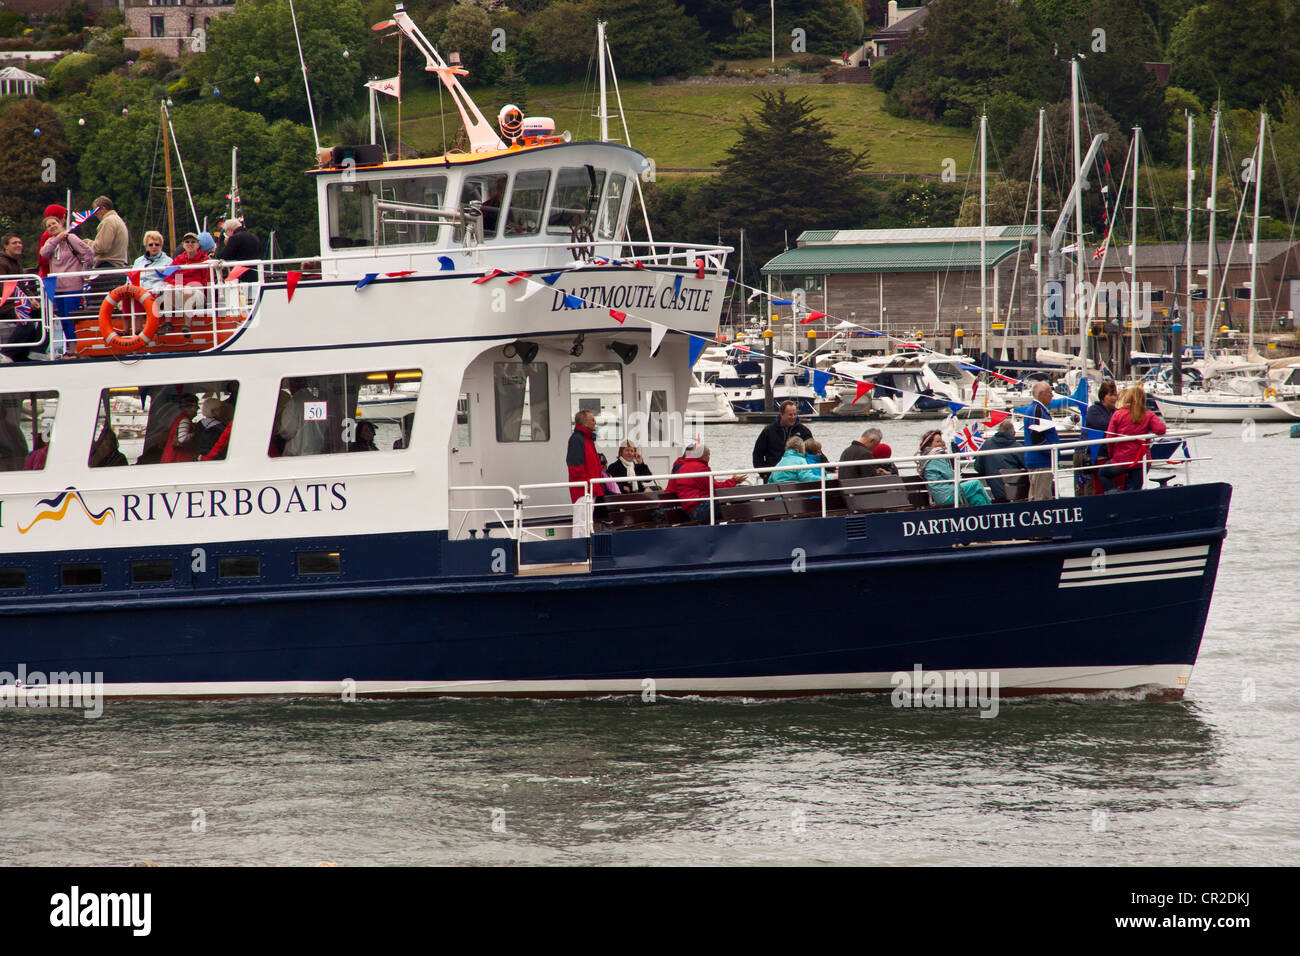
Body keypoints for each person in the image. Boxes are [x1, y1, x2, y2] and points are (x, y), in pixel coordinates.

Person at [40, 216, 95, 358]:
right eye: (48, 226)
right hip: (58, 286)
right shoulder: (51, 242)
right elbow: (44, 253)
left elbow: (88, 252)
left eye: (54, 223)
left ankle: (76, 348)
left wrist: (84, 272)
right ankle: (70, 347)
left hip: (72, 285)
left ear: (61, 223)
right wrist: (57, 238)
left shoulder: (71, 238)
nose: (52, 226)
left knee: (71, 317)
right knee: (63, 319)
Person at [1100, 385, 1167, 493]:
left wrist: (1112, 456)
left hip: (1121, 460)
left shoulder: (1118, 414)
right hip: (1142, 461)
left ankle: (1113, 496)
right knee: (1134, 490)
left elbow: (1110, 438)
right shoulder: (1148, 415)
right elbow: (1160, 429)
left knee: (1103, 473)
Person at [1014, 380, 1072, 500]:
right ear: (1041, 394)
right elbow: (1036, 437)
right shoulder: (1037, 410)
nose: (1052, 395)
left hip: (1038, 460)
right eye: (1050, 392)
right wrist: (1052, 452)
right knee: (1042, 496)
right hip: (1040, 461)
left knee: (1036, 496)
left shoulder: (1037, 409)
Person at [664, 443, 743, 522]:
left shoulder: (683, 466)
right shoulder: (700, 468)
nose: (709, 458)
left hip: (691, 509)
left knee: (733, 500)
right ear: (704, 456)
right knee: (736, 501)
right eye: (708, 455)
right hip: (700, 509)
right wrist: (733, 481)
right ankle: (743, 524)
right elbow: (714, 488)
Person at [917, 429, 990, 507]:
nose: (941, 443)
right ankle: (991, 505)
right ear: (929, 445)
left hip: (943, 494)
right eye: (938, 442)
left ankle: (985, 514)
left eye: (941, 441)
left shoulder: (926, 457)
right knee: (976, 483)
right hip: (946, 495)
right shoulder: (935, 457)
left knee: (977, 498)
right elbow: (951, 476)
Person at [0, 233, 42, 363]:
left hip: (18, 303)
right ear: (6, 247)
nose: (19, 245)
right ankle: (6, 354)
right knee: (26, 323)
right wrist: (24, 300)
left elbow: (22, 285)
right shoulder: (2, 263)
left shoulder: (16, 261)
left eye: (20, 243)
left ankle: (35, 352)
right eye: (14, 243)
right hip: (6, 304)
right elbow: (4, 288)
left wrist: (31, 298)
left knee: (44, 314)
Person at [161, 232, 212, 337]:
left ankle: (187, 325)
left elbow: (206, 281)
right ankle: (168, 322)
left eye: (193, 242)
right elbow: (168, 276)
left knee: (187, 290)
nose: (190, 244)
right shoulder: (179, 259)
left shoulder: (205, 260)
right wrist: (176, 285)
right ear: (183, 245)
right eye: (187, 242)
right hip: (180, 290)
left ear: (198, 245)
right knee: (168, 288)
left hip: (198, 294)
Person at [752, 401, 813, 479]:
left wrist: (829, 467)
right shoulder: (768, 431)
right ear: (781, 414)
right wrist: (764, 473)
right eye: (790, 414)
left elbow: (813, 449)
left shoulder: (803, 430)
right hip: (773, 476)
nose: (793, 417)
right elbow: (758, 454)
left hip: (798, 476)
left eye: (795, 414)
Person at [972, 418, 1025, 502]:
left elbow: (978, 467)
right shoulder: (1018, 448)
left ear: (998, 431)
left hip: (996, 493)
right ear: (1014, 434)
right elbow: (1029, 468)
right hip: (1017, 495)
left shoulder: (986, 445)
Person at [565, 409, 606, 504]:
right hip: (583, 490)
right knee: (582, 518)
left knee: (587, 518)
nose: (595, 422)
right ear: (585, 423)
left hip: (589, 488)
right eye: (592, 420)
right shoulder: (577, 439)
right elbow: (575, 469)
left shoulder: (587, 439)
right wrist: (588, 484)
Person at [90, 196, 129, 269]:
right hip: (119, 266)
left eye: (95, 212)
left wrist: (87, 243)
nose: (95, 215)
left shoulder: (108, 221)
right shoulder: (118, 220)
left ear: (103, 209)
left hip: (108, 265)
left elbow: (101, 247)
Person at [160, 393, 200, 463]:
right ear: (189, 407)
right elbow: (182, 438)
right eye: (196, 406)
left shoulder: (180, 418)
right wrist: (196, 434)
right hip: (178, 459)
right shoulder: (185, 420)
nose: (198, 408)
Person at [36, 203, 65, 278]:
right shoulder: (49, 235)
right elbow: (43, 259)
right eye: (63, 217)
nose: (65, 220)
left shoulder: (59, 234)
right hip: (50, 274)